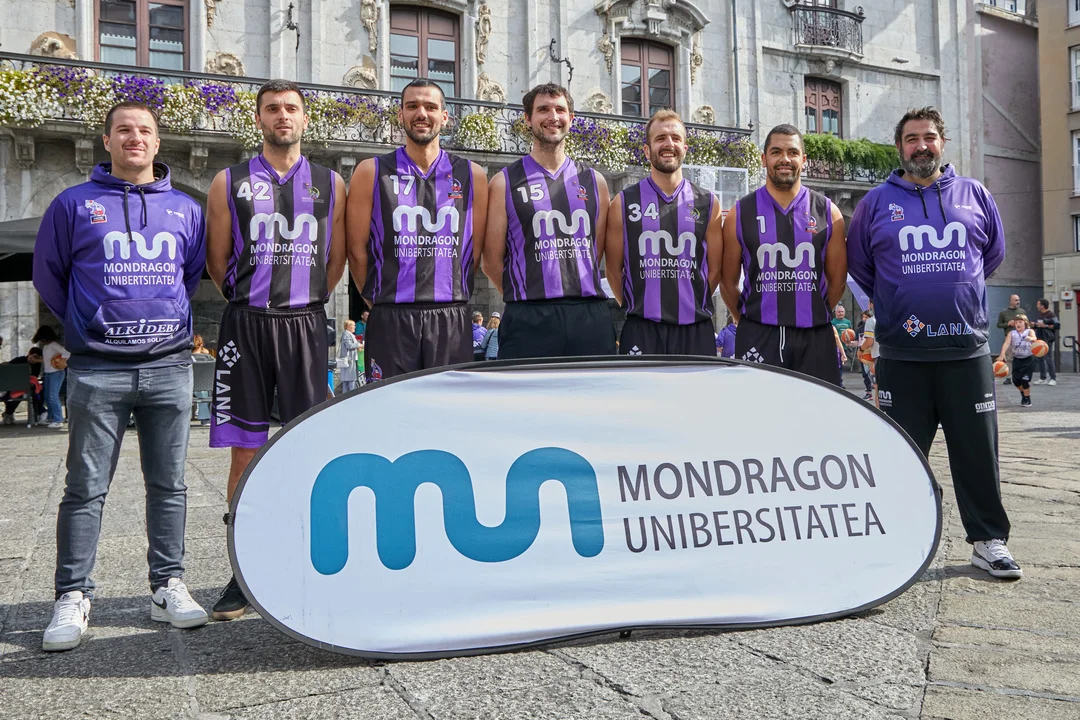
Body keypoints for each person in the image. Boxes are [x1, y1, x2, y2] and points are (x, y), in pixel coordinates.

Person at [32, 101, 209, 651]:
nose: (136, 138)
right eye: (124, 130)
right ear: (106, 141)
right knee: (85, 487)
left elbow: (190, 275)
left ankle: (167, 585)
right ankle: (73, 594)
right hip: (97, 369)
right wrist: (89, 324)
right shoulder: (73, 204)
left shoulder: (186, 209)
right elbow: (49, 276)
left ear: (158, 142)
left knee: (170, 484)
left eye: (145, 131)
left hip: (169, 365)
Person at [847, 106, 1020, 579]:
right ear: (899, 147)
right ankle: (896, 543)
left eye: (928, 137)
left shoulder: (975, 194)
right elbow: (860, 266)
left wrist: (953, 292)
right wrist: (902, 299)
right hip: (902, 353)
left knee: (978, 452)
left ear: (942, 142)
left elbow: (990, 256)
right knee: (899, 454)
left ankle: (988, 541)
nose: (921, 146)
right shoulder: (875, 203)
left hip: (967, 351)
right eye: (911, 139)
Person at [205, 79, 347, 619]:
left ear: (305, 119)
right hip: (246, 324)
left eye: (291, 108)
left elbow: (336, 260)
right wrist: (251, 301)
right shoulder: (229, 181)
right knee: (245, 449)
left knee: (308, 445)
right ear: (259, 118)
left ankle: (309, 559)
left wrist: (304, 299)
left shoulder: (332, 183)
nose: (282, 116)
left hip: (305, 323)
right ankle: (245, 569)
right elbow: (218, 260)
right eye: (272, 109)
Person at [346, 78, 488, 381]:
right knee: (390, 405)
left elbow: (474, 251)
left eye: (430, 107)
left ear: (445, 117)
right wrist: (378, 300)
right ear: (401, 115)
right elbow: (356, 250)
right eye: (412, 106)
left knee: (450, 406)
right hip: (391, 315)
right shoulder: (371, 171)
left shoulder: (472, 175)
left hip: (450, 315)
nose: (421, 113)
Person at [482, 83, 616, 358]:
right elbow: (491, 261)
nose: (553, 117)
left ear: (571, 118)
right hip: (528, 317)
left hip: (589, 316)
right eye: (543, 109)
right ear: (527, 118)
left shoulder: (595, 182)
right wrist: (526, 294)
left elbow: (596, 252)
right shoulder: (504, 182)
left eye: (560, 110)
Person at [719, 124, 847, 383]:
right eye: (776, 152)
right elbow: (728, 282)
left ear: (804, 160)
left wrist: (814, 313)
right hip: (758, 334)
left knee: (818, 408)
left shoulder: (828, 212)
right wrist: (746, 321)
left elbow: (838, 281)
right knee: (759, 408)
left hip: (815, 336)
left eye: (792, 152)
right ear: (764, 159)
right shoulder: (739, 213)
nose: (785, 159)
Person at [604, 110, 723, 356]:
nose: (669, 144)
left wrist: (690, 303)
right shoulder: (623, 202)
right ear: (647, 151)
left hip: (695, 328)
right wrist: (638, 305)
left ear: (685, 148)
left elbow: (715, 270)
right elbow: (613, 272)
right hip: (642, 328)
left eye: (675, 138)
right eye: (660, 138)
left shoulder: (708, 203)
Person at [32, 326, 69, 429]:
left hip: (56, 373)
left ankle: (58, 420)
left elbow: (67, 352)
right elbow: (47, 360)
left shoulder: (53, 345)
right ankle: (51, 418)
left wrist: (61, 362)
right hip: (48, 374)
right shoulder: (47, 347)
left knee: (53, 396)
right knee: (48, 397)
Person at [1, 347, 45, 424]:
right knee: (17, 394)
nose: (34, 359)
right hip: (15, 386)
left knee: (22, 394)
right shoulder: (19, 360)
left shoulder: (37, 364)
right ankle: (9, 413)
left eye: (37, 358)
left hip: (22, 387)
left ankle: (8, 414)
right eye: (33, 356)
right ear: (29, 354)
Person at [1000, 315, 1036, 408]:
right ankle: (1023, 392)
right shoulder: (1012, 333)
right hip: (1017, 359)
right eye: (1016, 322)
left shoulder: (1029, 331)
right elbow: (1007, 343)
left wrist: (1030, 338)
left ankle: (1027, 398)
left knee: (1025, 380)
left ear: (1025, 323)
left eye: (1020, 322)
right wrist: (1002, 354)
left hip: (1028, 359)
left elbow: (1034, 338)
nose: (1018, 324)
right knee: (1016, 380)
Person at [996, 294, 1026, 386]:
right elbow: (998, 325)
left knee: (1021, 356)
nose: (1018, 302)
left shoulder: (1022, 311)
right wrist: (1008, 324)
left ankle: (1020, 376)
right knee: (1009, 358)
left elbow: (1026, 323)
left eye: (1019, 300)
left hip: (1020, 337)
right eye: (1016, 300)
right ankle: (1008, 377)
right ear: (1011, 301)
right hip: (1009, 337)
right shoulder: (1004, 313)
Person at [1032, 298, 1059, 386]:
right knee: (1040, 359)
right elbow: (1040, 325)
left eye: (1038, 304)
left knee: (1049, 358)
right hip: (1040, 339)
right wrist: (1035, 325)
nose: (1037, 306)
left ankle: (1053, 378)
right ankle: (1043, 378)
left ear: (1042, 306)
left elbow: (1057, 325)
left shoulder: (1051, 314)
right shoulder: (1040, 314)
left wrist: (1045, 325)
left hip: (1048, 339)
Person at [338, 319, 361, 393]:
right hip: (349, 360)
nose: (355, 327)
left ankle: (346, 394)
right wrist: (359, 345)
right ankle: (351, 394)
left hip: (350, 359)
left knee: (347, 380)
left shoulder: (348, 334)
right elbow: (349, 345)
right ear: (348, 326)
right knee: (351, 379)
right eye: (353, 325)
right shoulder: (347, 334)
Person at [856, 310, 874, 400]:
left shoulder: (874, 326)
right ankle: (868, 392)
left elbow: (870, 341)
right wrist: (850, 342)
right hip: (863, 354)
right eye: (863, 317)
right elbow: (857, 341)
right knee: (865, 374)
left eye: (866, 317)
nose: (864, 319)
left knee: (874, 374)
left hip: (872, 354)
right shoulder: (860, 329)